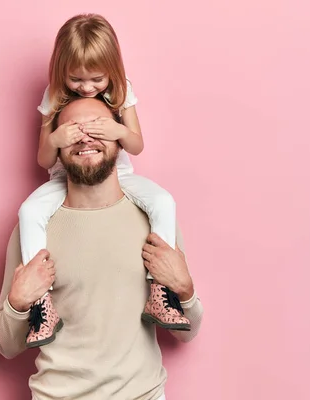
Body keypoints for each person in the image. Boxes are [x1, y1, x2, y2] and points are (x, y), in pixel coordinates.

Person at [0, 96, 204, 400]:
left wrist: (185, 289)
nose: (85, 137)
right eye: (73, 130)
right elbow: (5, 346)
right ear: (57, 148)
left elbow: (188, 333)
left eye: (98, 127)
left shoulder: (155, 221)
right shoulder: (33, 230)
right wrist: (18, 302)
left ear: (119, 136)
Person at [18, 13, 190, 348]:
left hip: (118, 175)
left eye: (96, 79)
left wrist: (118, 131)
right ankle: (42, 303)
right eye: (76, 79)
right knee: (29, 213)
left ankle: (160, 290)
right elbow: (42, 160)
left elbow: (136, 146)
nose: (86, 87)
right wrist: (55, 139)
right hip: (64, 179)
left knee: (163, 202)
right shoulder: (53, 96)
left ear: (112, 69)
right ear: (60, 72)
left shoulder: (122, 91)